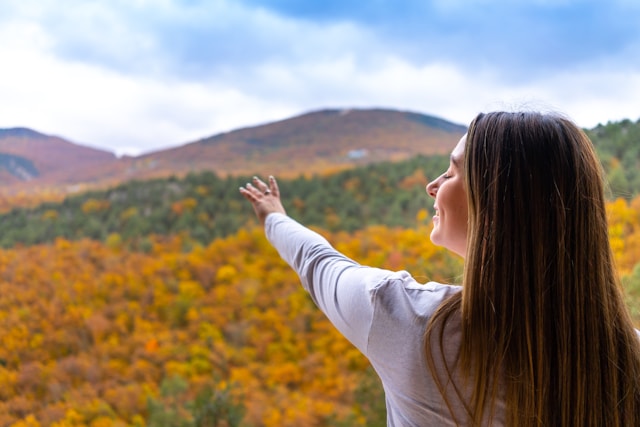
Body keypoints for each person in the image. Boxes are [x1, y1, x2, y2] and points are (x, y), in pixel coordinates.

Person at [239, 111, 640, 426]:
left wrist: (274, 217)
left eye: (451, 171)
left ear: (494, 202)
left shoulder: (406, 321)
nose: (433, 185)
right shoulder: (628, 355)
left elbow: (318, 263)